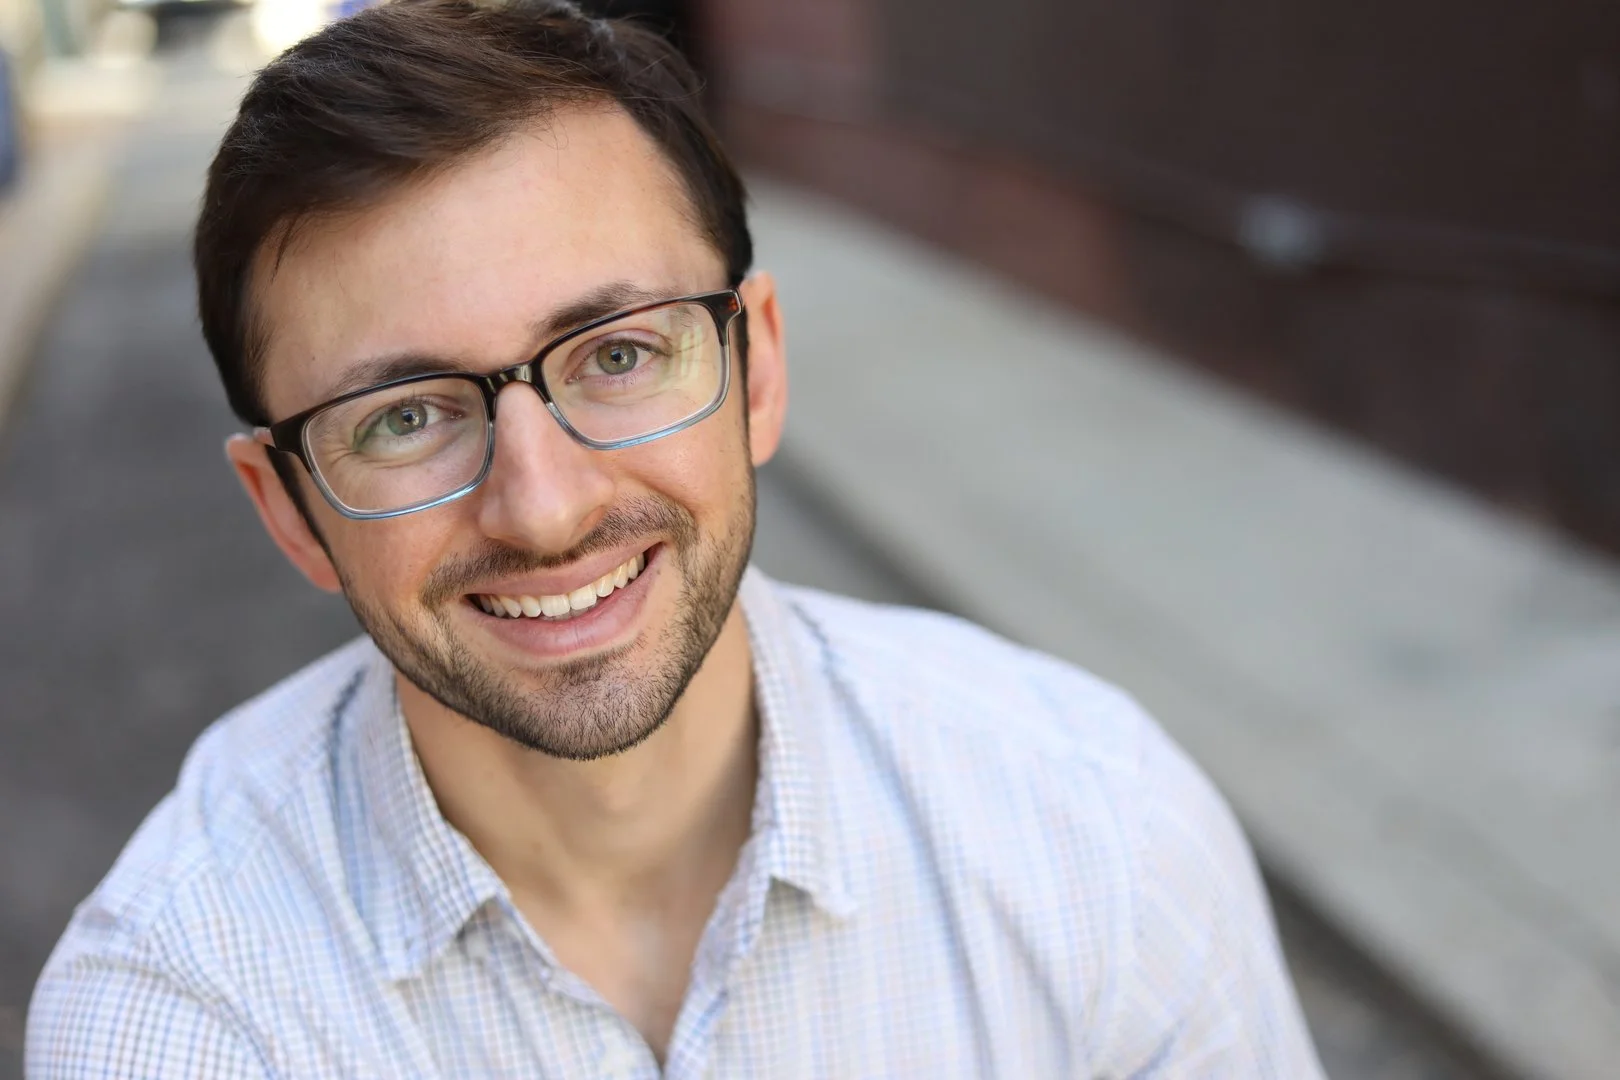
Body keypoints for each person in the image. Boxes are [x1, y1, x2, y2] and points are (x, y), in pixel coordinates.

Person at [26, 1, 1325, 1076]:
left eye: (620, 354)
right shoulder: (180, 1016)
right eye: (406, 415)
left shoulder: (1096, 830)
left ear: (756, 368)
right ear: (290, 509)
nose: (544, 508)